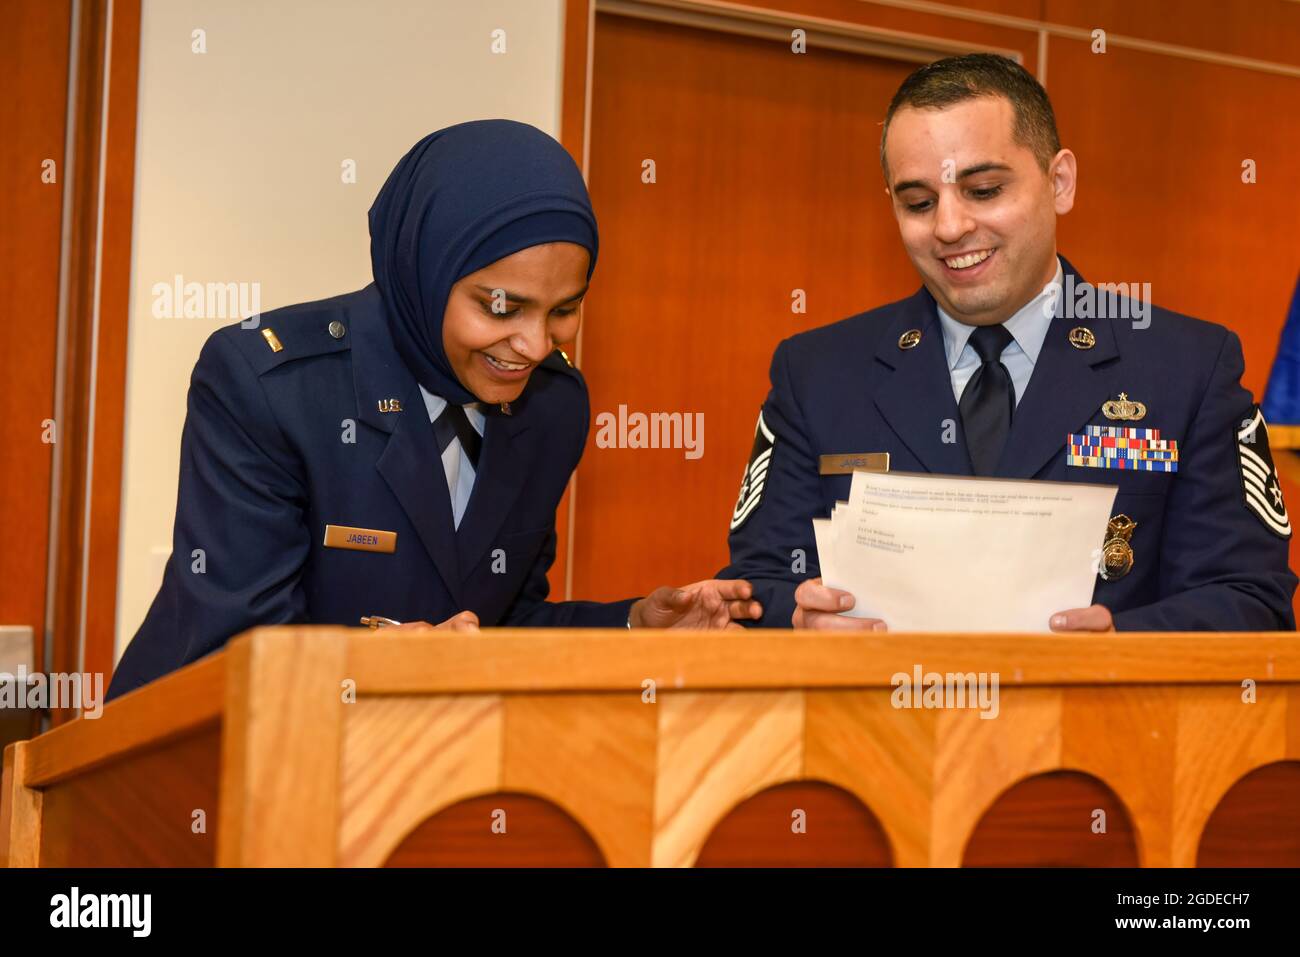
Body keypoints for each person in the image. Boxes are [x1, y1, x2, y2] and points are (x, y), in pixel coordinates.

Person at [108, 120, 759, 700]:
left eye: (563, 310)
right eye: (501, 307)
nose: (535, 345)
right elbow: (235, 651)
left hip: (402, 775)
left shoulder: (553, 408)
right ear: (425, 267)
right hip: (190, 773)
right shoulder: (268, 384)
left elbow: (502, 623)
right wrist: (383, 666)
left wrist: (632, 627)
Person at [720, 54, 1296, 632]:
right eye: (918, 202)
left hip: (1104, 720)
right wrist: (799, 618)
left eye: (984, 189)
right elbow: (757, 586)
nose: (948, 227)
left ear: (1059, 182)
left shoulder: (1187, 368)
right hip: (880, 719)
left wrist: (1121, 647)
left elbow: (1249, 600)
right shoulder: (817, 373)